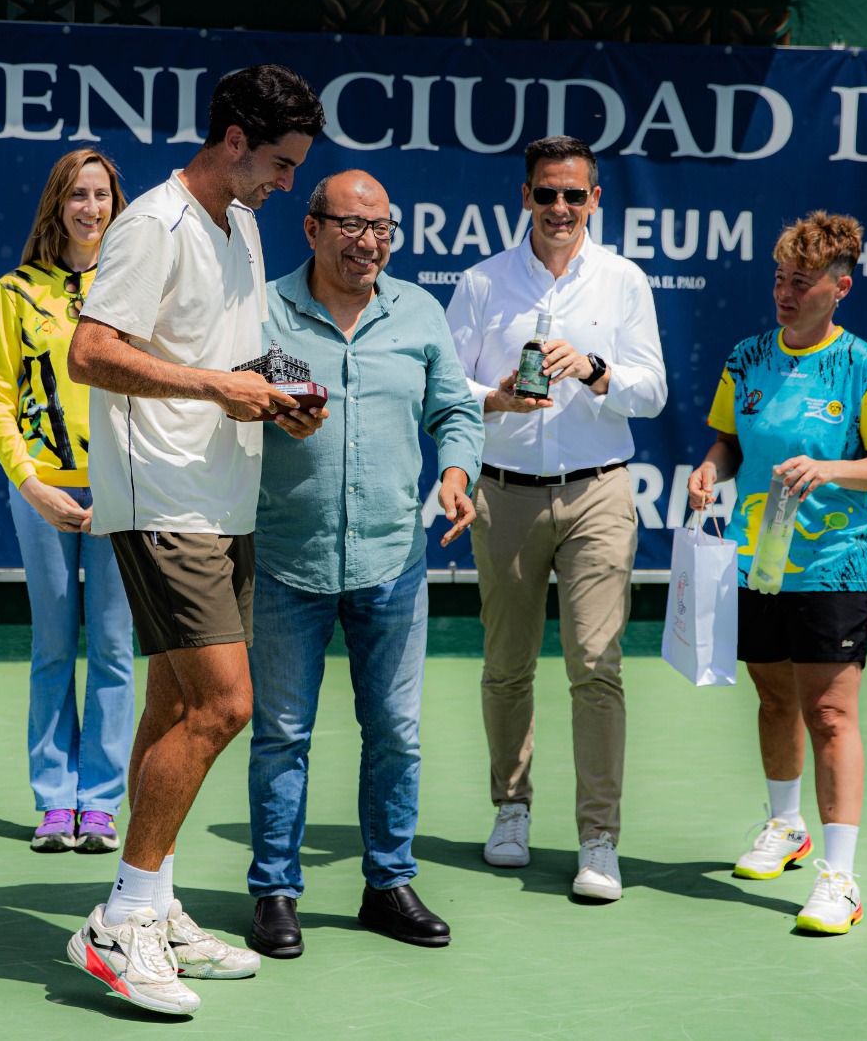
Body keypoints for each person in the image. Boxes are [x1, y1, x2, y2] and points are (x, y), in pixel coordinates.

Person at [62, 64, 326, 1017]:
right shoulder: (151, 225)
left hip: (228, 496)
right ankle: (120, 921)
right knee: (224, 708)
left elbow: (234, 352)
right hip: (162, 499)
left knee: (176, 706)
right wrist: (222, 390)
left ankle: (158, 903)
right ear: (230, 139)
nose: (286, 183)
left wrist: (278, 393)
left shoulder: (243, 224)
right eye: (279, 164)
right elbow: (92, 351)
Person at [245, 170, 483, 959]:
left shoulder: (416, 310)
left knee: (395, 733)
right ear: (311, 229)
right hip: (285, 557)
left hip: (392, 560)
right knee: (281, 734)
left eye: (383, 227)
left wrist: (456, 471)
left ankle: (388, 883)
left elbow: (454, 408)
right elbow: (230, 398)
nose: (370, 242)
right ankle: (276, 891)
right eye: (352, 226)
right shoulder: (263, 308)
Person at [446, 135, 667, 902]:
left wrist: (599, 371)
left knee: (596, 667)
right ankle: (510, 808)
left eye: (575, 195)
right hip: (503, 491)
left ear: (596, 200)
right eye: (547, 194)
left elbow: (654, 390)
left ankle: (599, 838)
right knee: (506, 663)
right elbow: (447, 391)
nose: (561, 209)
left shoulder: (624, 281)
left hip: (598, 490)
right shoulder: (481, 284)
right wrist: (498, 396)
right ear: (525, 198)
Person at [686, 210, 867, 936]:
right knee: (774, 699)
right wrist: (707, 471)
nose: (784, 292)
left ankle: (840, 877)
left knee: (831, 716)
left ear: (838, 288)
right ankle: (787, 826)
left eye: (801, 282)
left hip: (835, 568)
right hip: (758, 564)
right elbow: (727, 442)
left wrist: (828, 467)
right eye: (779, 278)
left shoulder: (866, 367)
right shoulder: (747, 357)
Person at [0, 148, 136, 855]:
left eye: (101, 195)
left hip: (120, 493)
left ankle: (99, 802)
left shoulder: (136, 288)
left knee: (111, 647)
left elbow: (156, 388)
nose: (90, 208)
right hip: (41, 491)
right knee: (52, 646)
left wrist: (129, 481)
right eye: (77, 194)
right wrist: (31, 484)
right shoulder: (16, 292)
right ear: (56, 204)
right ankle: (53, 800)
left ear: (116, 204)